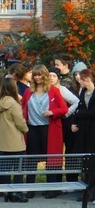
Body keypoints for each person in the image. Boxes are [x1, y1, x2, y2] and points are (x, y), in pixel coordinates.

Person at [22, 65, 68, 197]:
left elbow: (64, 108)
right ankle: (30, 189)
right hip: (32, 129)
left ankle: (51, 189)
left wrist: (52, 112)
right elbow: (23, 107)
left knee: (51, 159)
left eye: (40, 75)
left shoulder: (53, 91)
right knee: (31, 159)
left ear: (45, 76)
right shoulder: (28, 92)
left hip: (49, 129)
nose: (37, 77)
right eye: (35, 75)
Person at [71, 68, 95, 201]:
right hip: (83, 133)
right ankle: (85, 189)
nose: (79, 82)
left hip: (94, 134)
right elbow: (80, 109)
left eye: (81, 79)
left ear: (87, 79)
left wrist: (80, 115)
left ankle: (92, 191)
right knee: (84, 163)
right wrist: (74, 122)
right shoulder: (83, 93)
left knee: (93, 164)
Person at [0, 76, 29, 203]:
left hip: (2, 141)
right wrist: (26, 129)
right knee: (18, 169)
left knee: (4, 169)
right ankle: (16, 193)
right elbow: (20, 122)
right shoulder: (14, 104)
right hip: (15, 141)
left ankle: (5, 192)